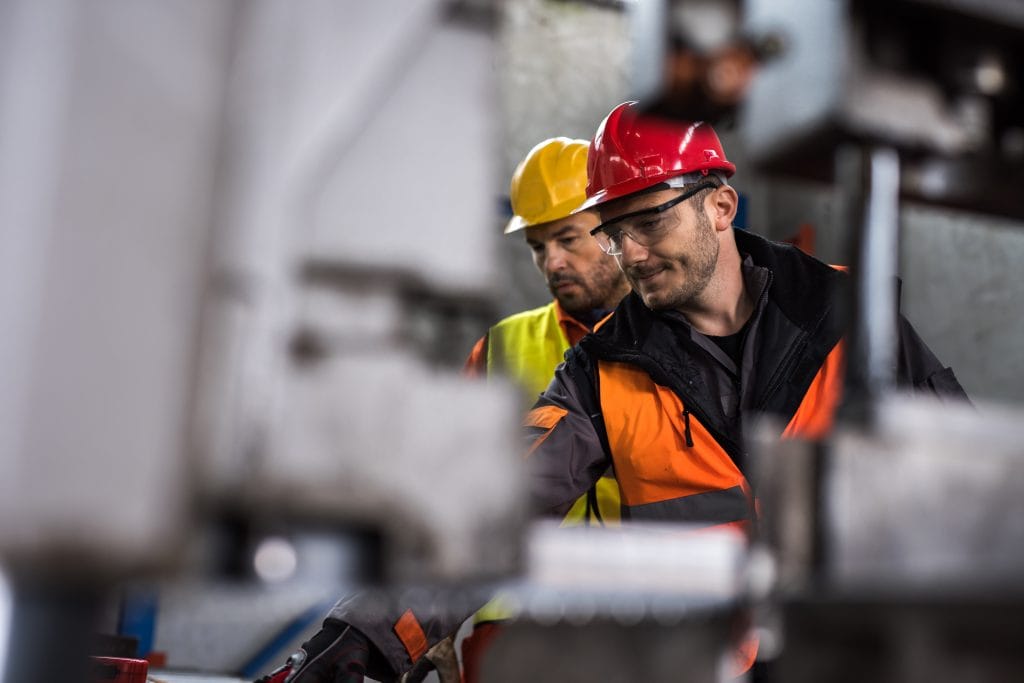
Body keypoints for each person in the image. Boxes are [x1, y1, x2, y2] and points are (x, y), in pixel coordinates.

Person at [256, 101, 967, 683]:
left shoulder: (853, 316)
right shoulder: (601, 369)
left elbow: (971, 488)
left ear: (720, 204)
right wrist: (359, 636)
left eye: (649, 221)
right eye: (615, 231)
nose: (630, 252)